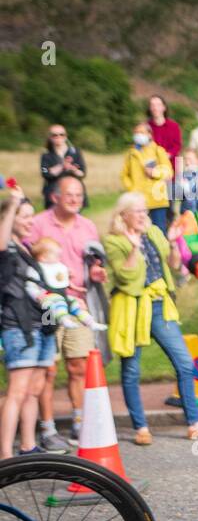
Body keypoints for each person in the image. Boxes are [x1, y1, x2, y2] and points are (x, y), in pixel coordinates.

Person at [104, 192, 198, 444]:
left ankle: (195, 423)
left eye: (144, 211)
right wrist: (133, 247)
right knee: (131, 369)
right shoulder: (113, 241)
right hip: (132, 306)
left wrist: (171, 243)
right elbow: (127, 276)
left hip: (159, 304)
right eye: (137, 211)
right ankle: (141, 428)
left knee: (184, 362)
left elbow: (172, 264)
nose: (143, 215)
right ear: (123, 214)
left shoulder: (154, 233)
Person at [25, 175, 105, 448]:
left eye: (79, 195)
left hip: (78, 305)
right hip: (45, 306)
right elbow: (26, 263)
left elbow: (93, 261)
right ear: (55, 196)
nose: (75, 200)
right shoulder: (37, 224)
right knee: (47, 369)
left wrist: (95, 272)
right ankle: (47, 429)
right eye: (69, 194)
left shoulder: (88, 226)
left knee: (78, 366)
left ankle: (79, 423)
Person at [0, 185, 58, 457]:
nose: (30, 221)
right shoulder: (7, 249)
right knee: (18, 391)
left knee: (34, 390)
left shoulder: (24, 250)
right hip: (18, 327)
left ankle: (27, 446)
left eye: (31, 216)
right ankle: (5, 456)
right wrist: (11, 204)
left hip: (40, 327)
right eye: (24, 216)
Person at [24, 238, 105, 333]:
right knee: (58, 303)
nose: (60, 258)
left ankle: (90, 323)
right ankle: (64, 319)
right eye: (56, 255)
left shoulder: (57, 266)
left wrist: (70, 280)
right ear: (43, 257)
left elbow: (63, 283)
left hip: (61, 297)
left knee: (75, 303)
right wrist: (37, 295)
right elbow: (30, 285)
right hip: (48, 298)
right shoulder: (36, 269)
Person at [121, 122, 174, 232]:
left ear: (149, 134)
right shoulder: (131, 153)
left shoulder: (158, 150)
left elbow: (168, 171)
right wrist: (131, 189)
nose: (138, 135)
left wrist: (154, 172)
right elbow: (124, 175)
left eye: (141, 132)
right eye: (136, 133)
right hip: (138, 201)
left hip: (157, 200)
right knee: (139, 231)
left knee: (159, 231)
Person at [39, 125, 86, 208]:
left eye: (61, 134)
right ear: (50, 137)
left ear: (66, 136)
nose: (58, 137)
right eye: (55, 135)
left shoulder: (75, 152)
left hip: (73, 194)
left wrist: (73, 170)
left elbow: (83, 173)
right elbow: (45, 173)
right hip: (53, 195)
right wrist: (62, 166)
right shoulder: (46, 155)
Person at [146, 95, 183, 185]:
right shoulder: (146, 127)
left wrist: (166, 155)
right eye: (152, 105)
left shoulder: (174, 126)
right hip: (152, 168)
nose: (155, 108)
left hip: (170, 167)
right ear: (150, 108)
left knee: (170, 196)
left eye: (158, 105)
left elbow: (177, 146)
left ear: (164, 107)